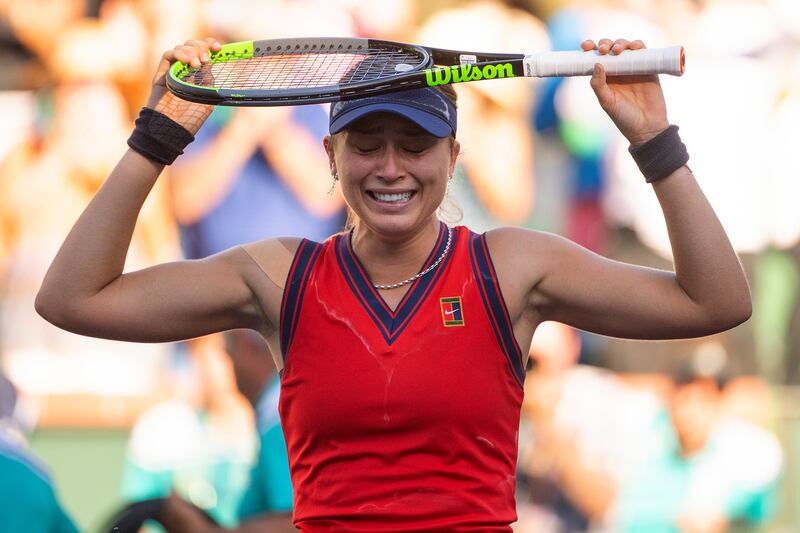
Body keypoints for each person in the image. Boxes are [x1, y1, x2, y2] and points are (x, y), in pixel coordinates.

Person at [35, 35, 752, 530]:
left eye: (414, 145)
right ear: (331, 156)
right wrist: (157, 138)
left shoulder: (511, 267)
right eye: (367, 145)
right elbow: (73, 297)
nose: (390, 167)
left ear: (452, 155)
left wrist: (654, 142)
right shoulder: (281, 276)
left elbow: (716, 300)